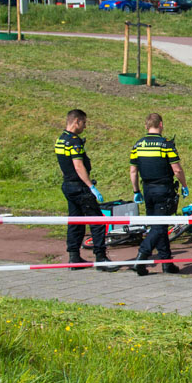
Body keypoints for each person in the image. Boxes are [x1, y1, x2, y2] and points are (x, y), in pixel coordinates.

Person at [55, 109, 117, 271]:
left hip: (68, 185)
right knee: (97, 221)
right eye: (84, 123)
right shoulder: (74, 141)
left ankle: (74, 257)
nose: (85, 126)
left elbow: (65, 166)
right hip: (79, 187)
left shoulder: (61, 140)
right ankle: (100, 258)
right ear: (76, 121)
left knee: (75, 221)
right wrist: (91, 186)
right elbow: (78, 165)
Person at [128, 112, 188, 276]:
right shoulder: (166, 145)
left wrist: (136, 191)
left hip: (147, 190)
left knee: (158, 226)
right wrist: (184, 185)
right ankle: (141, 257)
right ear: (160, 125)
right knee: (159, 226)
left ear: (146, 126)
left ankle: (167, 263)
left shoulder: (138, 145)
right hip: (163, 189)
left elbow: (133, 171)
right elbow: (176, 169)